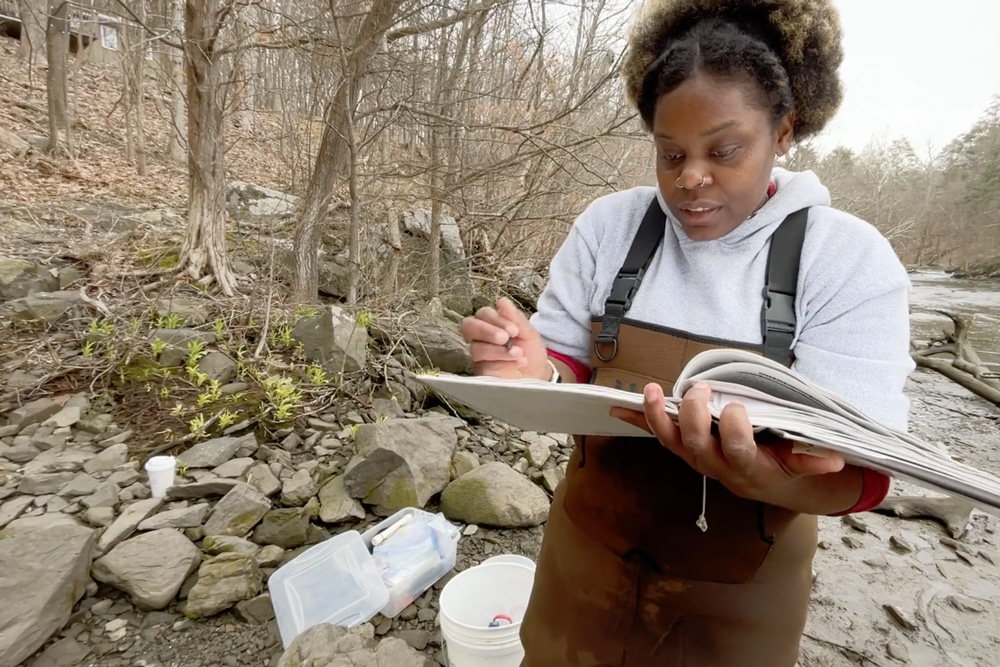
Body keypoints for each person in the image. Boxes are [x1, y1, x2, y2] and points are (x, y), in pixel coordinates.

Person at [459, 0, 915, 665]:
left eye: (724, 149)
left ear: (784, 131)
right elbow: (562, 367)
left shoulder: (847, 260)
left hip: (738, 604)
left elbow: (864, 475)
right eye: (670, 153)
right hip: (582, 560)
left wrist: (768, 477)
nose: (690, 177)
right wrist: (532, 368)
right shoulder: (609, 227)